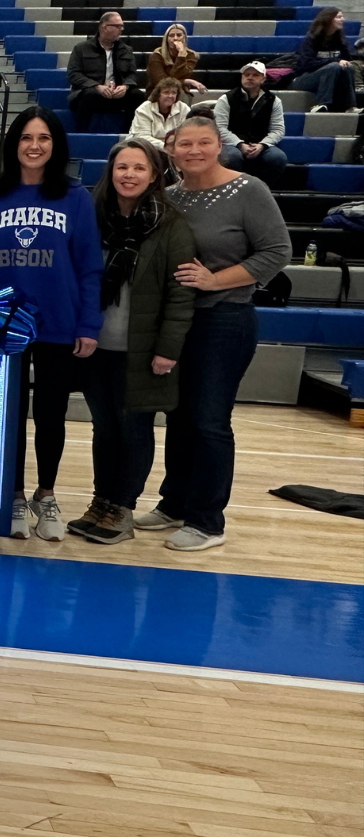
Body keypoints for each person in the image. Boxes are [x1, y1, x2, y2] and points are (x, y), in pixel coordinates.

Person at [0, 106, 104, 541]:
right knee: (8, 416)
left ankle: (45, 495)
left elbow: (90, 267)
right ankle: (12, 495)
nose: (34, 146)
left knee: (51, 416)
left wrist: (88, 324)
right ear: (13, 146)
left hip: (58, 323)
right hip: (2, 328)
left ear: (56, 146)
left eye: (44, 139)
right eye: (26, 139)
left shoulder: (75, 198)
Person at [134, 116, 292, 551]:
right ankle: (175, 504)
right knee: (180, 417)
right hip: (178, 322)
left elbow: (278, 251)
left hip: (225, 319)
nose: (195, 151)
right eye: (186, 144)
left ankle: (207, 522)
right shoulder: (168, 196)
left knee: (209, 421)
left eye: (204, 142)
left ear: (219, 144)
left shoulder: (248, 190)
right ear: (171, 149)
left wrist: (215, 280)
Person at [68, 139, 196, 545]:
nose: (129, 175)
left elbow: (181, 293)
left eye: (139, 168)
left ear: (155, 174)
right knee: (104, 429)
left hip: (141, 350)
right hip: (95, 345)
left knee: (133, 430)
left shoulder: (171, 224)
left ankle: (122, 509)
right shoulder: (93, 217)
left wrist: (167, 349)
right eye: (122, 167)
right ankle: (100, 503)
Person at [66, 12, 145, 131]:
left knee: (137, 95)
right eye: (117, 26)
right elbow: (73, 74)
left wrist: (125, 86)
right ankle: (81, 134)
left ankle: (130, 134)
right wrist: (96, 86)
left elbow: (132, 74)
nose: (121, 30)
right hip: (92, 94)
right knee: (89, 95)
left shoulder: (126, 50)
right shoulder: (81, 48)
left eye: (122, 26)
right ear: (104, 27)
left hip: (116, 95)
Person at [212, 62, 287, 184]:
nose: (250, 77)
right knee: (231, 157)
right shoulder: (226, 98)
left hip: (261, 144)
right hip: (231, 144)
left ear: (263, 78)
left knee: (278, 158)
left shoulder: (274, 100)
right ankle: (235, 188)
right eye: (246, 74)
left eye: (255, 75)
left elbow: (278, 130)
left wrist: (262, 145)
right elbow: (219, 128)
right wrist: (239, 144)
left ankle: (262, 189)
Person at [290, 6, 356, 113]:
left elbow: (347, 60)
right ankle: (321, 103)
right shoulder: (312, 38)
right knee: (334, 66)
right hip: (303, 78)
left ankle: (351, 106)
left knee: (347, 67)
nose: (343, 19)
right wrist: (334, 61)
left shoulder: (340, 40)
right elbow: (307, 65)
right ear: (328, 18)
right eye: (339, 17)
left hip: (329, 77)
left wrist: (344, 63)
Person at [128, 77, 191, 150]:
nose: (170, 96)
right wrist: (166, 146)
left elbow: (187, 133)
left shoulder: (184, 108)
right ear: (158, 94)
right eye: (166, 92)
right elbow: (142, 137)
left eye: (174, 93)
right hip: (146, 149)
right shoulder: (144, 109)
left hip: (174, 149)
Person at [144, 23, 206, 95]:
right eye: (171, 35)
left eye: (179, 35)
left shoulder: (191, 55)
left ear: (184, 38)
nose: (175, 38)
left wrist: (181, 55)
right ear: (166, 39)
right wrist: (186, 81)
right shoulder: (156, 55)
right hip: (157, 92)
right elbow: (162, 82)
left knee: (181, 93)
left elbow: (182, 74)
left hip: (180, 90)